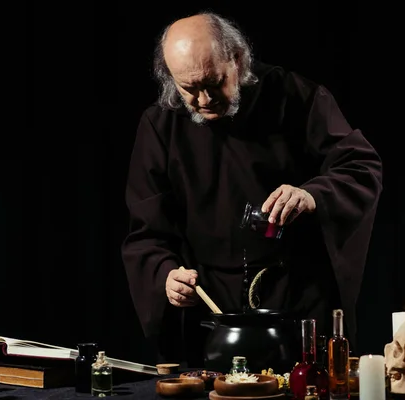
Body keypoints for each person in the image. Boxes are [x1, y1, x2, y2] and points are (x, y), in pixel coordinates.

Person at [121, 11, 383, 367]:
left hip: (297, 294)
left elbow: (361, 166)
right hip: (210, 301)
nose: (203, 100)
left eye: (214, 83)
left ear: (239, 60)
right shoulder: (160, 125)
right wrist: (165, 274)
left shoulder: (294, 95)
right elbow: (147, 231)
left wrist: (312, 194)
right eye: (189, 89)